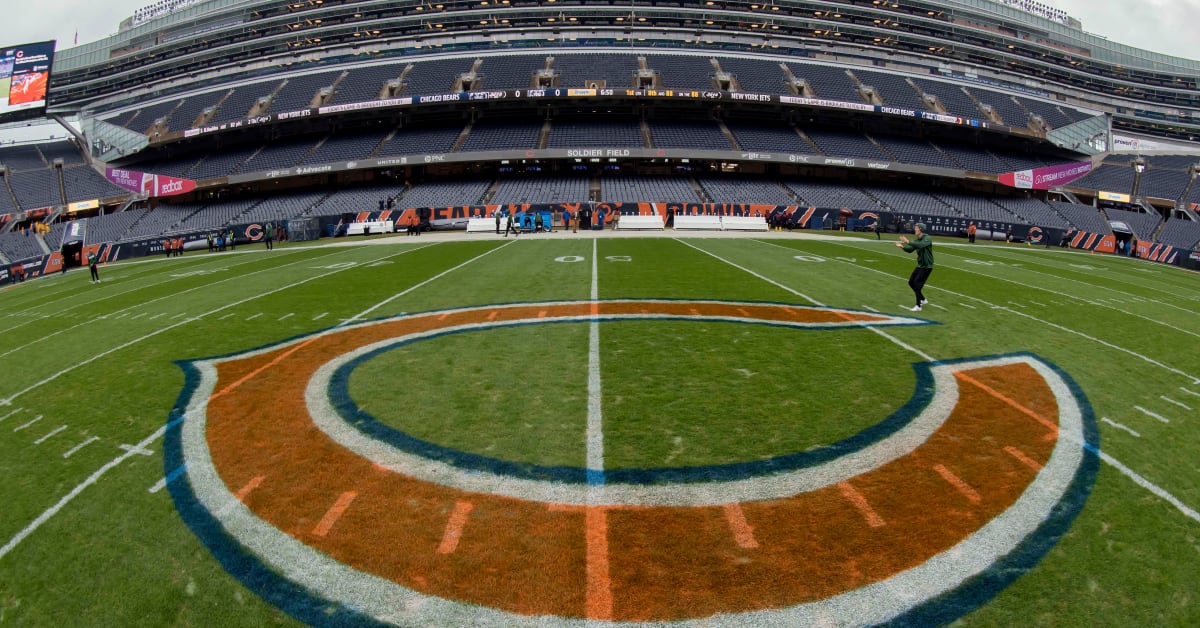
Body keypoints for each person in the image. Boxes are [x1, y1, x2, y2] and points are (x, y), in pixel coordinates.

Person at [896, 222, 934, 312]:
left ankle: (918, 306)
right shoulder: (917, 240)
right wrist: (902, 247)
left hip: (927, 266)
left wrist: (907, 241)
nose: (915, 229)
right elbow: (910, 249)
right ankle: (923, 299)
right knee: (911, 282)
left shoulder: (927, 238)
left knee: (917, 285)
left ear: (921, 229)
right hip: (920, 265)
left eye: (916, 228)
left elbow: (920, 245)